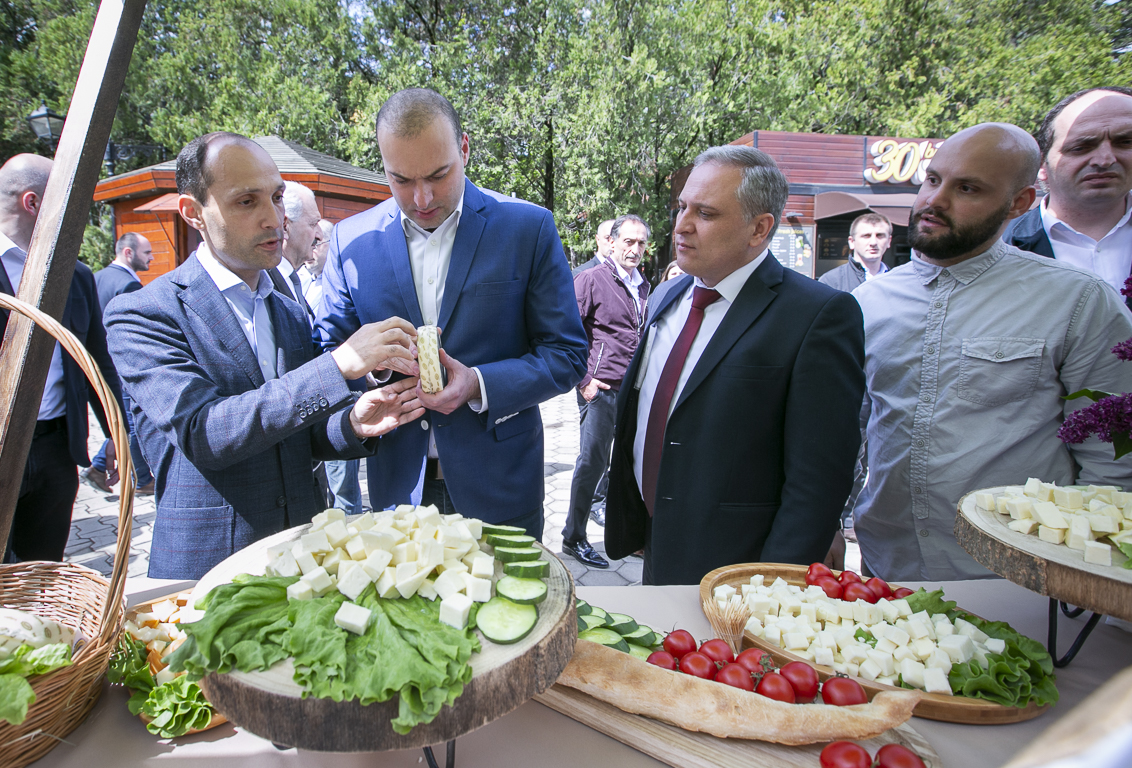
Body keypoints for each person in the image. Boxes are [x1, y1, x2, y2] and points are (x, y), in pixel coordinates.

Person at [104, 132, 426, 579]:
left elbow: (291, 433)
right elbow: (204, 433)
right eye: (246, 202)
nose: (274, 218)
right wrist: (337, 366)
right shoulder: (144, 313)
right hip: (210, 570)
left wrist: (352, 424)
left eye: (276, 198)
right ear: (192, 213)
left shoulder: (288, 311)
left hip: (303, 561)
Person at [853, 123, 1132, 582]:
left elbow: (1112, 462)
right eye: (933, 180)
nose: (935, 201)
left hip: (1020, 577)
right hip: (886, 568)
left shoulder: (1078, 301)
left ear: (1019, 203)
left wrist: (1086, 579)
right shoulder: (866, 302)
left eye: (968, 188)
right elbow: (845, 433)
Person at [317, 88, 588, 540]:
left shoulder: (528, 228)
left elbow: (567, 354)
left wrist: (480, 384)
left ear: (464, 149)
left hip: (500, 487)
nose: (421, 197)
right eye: (401, 180)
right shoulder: (350, 242)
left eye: (438, 175)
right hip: (398, 493)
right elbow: (328, 353)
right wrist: (375, 368)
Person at [604, 145, 866, 585]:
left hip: (742, 569)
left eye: (705, 213)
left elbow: (818, 481)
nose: (681, 226)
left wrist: (773, 583)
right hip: (655, 542)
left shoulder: (817, 315)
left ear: (759, 228)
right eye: (682, 207)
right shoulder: (668, 296)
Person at [0, 153, 123, 562]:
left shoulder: (77, 275)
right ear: (33, 203)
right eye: (68, 200)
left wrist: (116, 433)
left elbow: (96, 361)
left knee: (42, 570)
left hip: (56, 450)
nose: (78, 214)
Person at [564, 214, 652, 569]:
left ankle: (627, 534)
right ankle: (573, 537)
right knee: (593, 463)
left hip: (633, 390)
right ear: (611, 242)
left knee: (630, 463)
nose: (635, 249)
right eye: (628, 241)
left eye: (641, 243)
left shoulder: (642, 284)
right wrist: (583, 379)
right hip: (600, 389)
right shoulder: (591, 279)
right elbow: (563, 332)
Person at [1004, 87, 1132, 307]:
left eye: (1125, 142)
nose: (1105, 160)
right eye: (1081, 147)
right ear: (1041, 164)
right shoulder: (995, 247)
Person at [83, 232, 156, 495]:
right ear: (128, 252)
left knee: (121, 421)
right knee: (131, 423)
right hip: (121, 367)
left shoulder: (97, 277)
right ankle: (142, 479)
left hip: (99, 365)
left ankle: (99, 466)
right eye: (147, 253)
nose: (152, 258)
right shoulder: (129, 285)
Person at [270, 180, 321, 324]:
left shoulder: (291, 279)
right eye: (313, 224)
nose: (320, 235)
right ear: (285, 226)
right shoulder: (264, 286)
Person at [818, 212, 892, 291]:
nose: (873, 242)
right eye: (866, 236)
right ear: (852, 242)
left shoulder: (897, 281)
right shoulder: (830, 282)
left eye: (880, 235)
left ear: (889, 241)